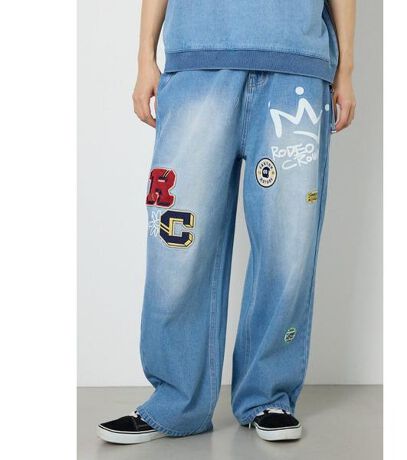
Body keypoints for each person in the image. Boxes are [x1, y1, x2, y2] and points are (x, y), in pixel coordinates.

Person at [98, 0, 356, 444]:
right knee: (177, 245)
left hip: (295, 66)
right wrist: (145, 57)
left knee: (287, 251)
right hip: (196, 63)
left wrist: (346, 69)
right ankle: (175, 402)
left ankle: (268, 397)